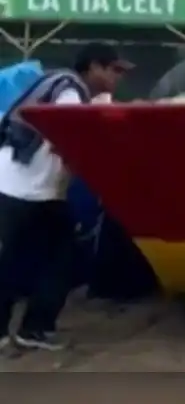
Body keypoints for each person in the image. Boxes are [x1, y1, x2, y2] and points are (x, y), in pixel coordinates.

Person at [0, 42, 131, 351]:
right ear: (93, 68)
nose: (118, 78)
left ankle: (33, 329)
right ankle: (33, 329)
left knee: (54, 259)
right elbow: (71, 132)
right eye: (114, 70)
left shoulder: (67, 88)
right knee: (27, 260)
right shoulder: (69, 88)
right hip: (22, 188)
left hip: (38, 191)